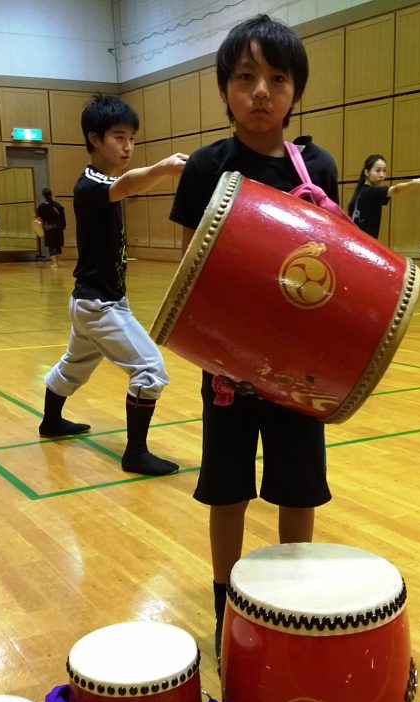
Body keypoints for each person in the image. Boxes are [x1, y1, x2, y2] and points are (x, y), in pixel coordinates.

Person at [169, 14, 338, 657]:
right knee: (228, 488)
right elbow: (190, 276)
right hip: (228, 369)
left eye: (277, 78)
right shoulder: (206, 168)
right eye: (245, 78)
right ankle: (225, 609)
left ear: (296, 90)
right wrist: (225, 352)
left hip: (299, 370)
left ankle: (293, 605)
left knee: (299, 487)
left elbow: (331, 267)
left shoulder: (315, 164)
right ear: (223, 89)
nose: (261, 91)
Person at [38, 94, 187, 477]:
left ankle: (51, 422)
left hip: (93, 302)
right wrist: (165, 167)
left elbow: (129, 184)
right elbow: (131, 185)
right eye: (119, 137)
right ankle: (135, 454)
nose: (128, 146)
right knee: (151, 371)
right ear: (94, 139)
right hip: (98, 305)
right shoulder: (90, 185)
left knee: (73, 368)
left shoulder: (106, 182)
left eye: (132, 138)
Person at [347, 154, 420, 238]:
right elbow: (395, 190)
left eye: (384, 171)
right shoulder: (370, 192)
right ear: (367, 172)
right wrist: (414, 183)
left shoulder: (362, 190)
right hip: (363, 245)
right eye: (378, 170)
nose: (382, 175)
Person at [36, 188, 67, 268]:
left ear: (43, 196)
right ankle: (60, 261)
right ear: (51, 194)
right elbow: (63, 217)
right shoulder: (58, 205)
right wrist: (63, 226)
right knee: (58, 245)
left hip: (49, 228)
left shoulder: (41, 207)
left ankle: (54, 263)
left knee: (52, 246)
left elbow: (39, 219)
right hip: (58, 227)